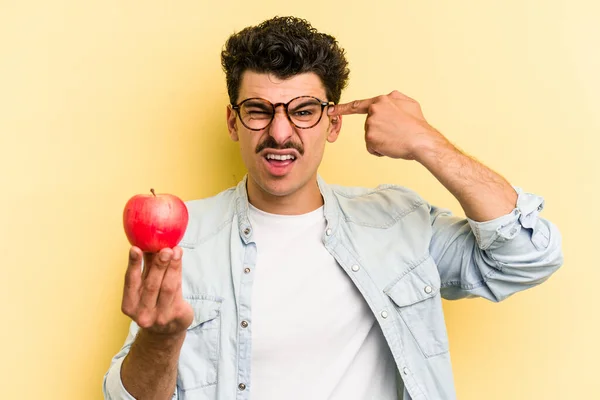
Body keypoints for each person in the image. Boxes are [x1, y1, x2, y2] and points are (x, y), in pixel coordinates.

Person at [103, 16, 563, 400]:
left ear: (333, 122)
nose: (280, 133)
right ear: (233, 121)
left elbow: (526, 255)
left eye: (303, 110)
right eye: (259, 110)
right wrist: (160, 341)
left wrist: (427, 143)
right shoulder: (183, 241)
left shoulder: (397, 221)